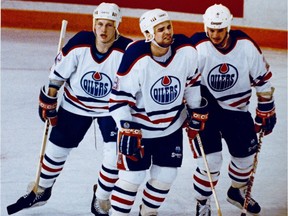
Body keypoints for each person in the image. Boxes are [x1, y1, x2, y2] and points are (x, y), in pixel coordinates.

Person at [7, 3, 132, 216]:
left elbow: (137, 82)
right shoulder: (80, 43)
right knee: (55, 149)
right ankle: (42, 190)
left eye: (109, 25)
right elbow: (57, 76)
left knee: (114, 156)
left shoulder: (127, 50)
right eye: (99, 24)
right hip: (76, 105)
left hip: (111, 109)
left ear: (117, 26)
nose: (103, 30)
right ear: (94, 24)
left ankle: (101, 197)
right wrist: (49, 98)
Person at [108, 8, 208, 216]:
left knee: (166, 175)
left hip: (170, 127)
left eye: (168, 27)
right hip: (139, 129)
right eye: (160, 29)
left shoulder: (186, 50)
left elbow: (192, 84)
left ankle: (148, 212)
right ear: (148, 34)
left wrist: (196, 109)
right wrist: (125, 127)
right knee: (131, 179)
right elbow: (118, 100)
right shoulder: (136, 57)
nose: (167, 32)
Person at [189, 4, 277, 216]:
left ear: (228, 27)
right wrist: (190, 110)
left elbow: (263, 81)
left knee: (246, 159)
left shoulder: (245, 45)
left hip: (237, 111)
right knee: (211, 162)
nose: (215, 34)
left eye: (219, 30)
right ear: (205, 26)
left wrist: (267, 108)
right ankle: (202, 201)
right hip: (207, 112)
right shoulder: (197, 47)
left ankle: (236, 191)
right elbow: (184, 82)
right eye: (211, 29)